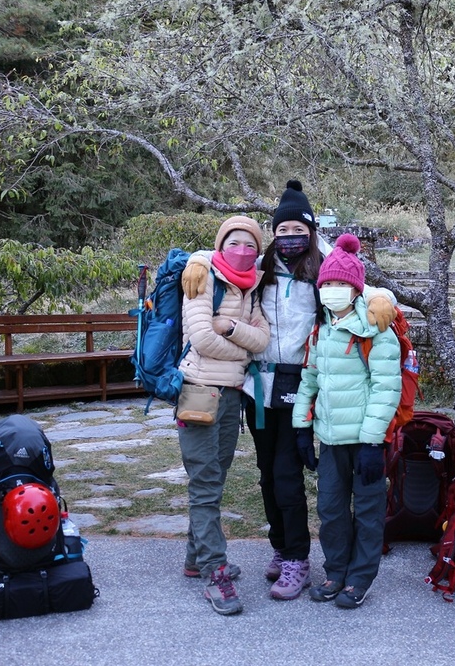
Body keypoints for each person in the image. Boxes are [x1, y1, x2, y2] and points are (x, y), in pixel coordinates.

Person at [181, 180, 395, 601]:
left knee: (286, 473)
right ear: (273, 233)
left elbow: (355, 278)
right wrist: (197, 259)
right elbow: (226, 253)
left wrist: (382, 297)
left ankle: (298, 556)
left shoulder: (322, 264)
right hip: (255, 383)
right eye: (282, 231)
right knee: (266, 474)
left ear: (311, 231)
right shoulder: (261, 266)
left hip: (297, 379)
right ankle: (280, 547)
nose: (290, 238)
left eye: (299, 230)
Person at [292, 233, 401, 610]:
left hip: (366, 442)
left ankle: (359, 577)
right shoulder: (320, 329)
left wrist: (373, 443)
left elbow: (387, 387)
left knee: (369, 511)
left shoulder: (376, 327)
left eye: (342, 284)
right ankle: (336, 570)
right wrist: (301, 428)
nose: (333, 290)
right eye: (328, 284)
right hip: (330, 438)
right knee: (331, 508)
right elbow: (309, 379)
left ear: (356, 289)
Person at [177, 215, 270, 616]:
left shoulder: (252, 285)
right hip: (198, 391)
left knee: (217, 476)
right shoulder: (202, 275)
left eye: (251, 244)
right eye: (235, 242)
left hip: (231, 395)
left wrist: (229, 327)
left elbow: (262, 337)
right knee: (205, 482)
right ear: (221, 244)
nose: (243, 250)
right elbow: (200, 338)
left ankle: (196, 558)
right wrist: (244, 345)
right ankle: (216, 571)